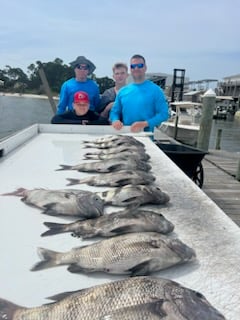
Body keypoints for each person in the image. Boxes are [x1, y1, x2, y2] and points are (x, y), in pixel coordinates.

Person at [109, 54, 169, 132]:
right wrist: (115, 120)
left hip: (146, 137)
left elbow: (164, 114)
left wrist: (145, 124)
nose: (136, 68)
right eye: (133, 66)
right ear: (130, 69)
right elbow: (114, 112)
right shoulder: (123, 91)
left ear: (145, 68)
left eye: (140, 65)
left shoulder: (156, 90)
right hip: (126, 136)